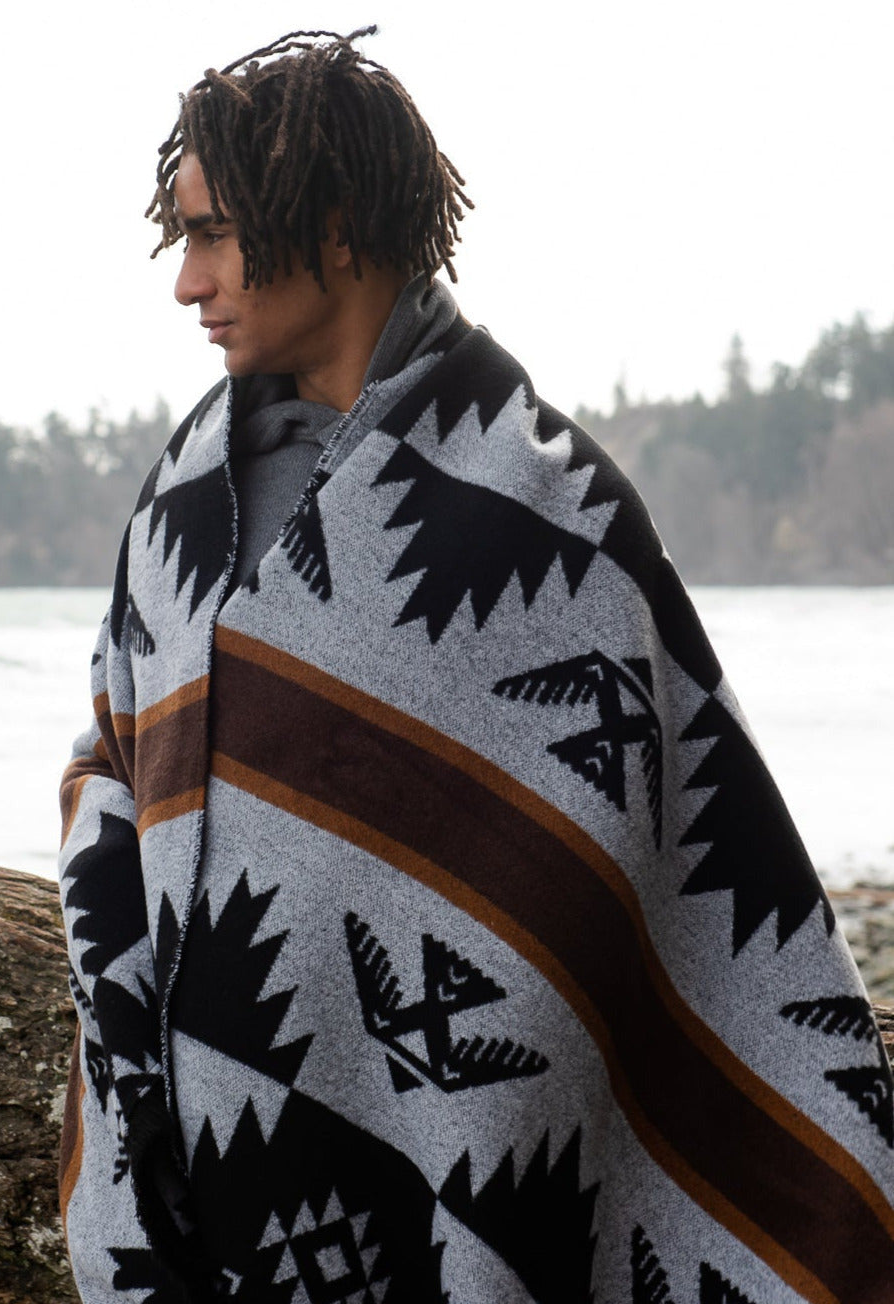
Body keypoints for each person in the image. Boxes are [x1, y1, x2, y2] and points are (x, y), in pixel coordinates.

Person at [56, 28, 894, 1304]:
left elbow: (670, 836)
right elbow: (113, 751)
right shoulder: (181, 498)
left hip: (464, 1186)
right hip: (204, 1190)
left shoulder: (542, 504)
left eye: (214, 235)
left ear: (334, 230)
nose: (187, 281)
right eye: (186, 238)